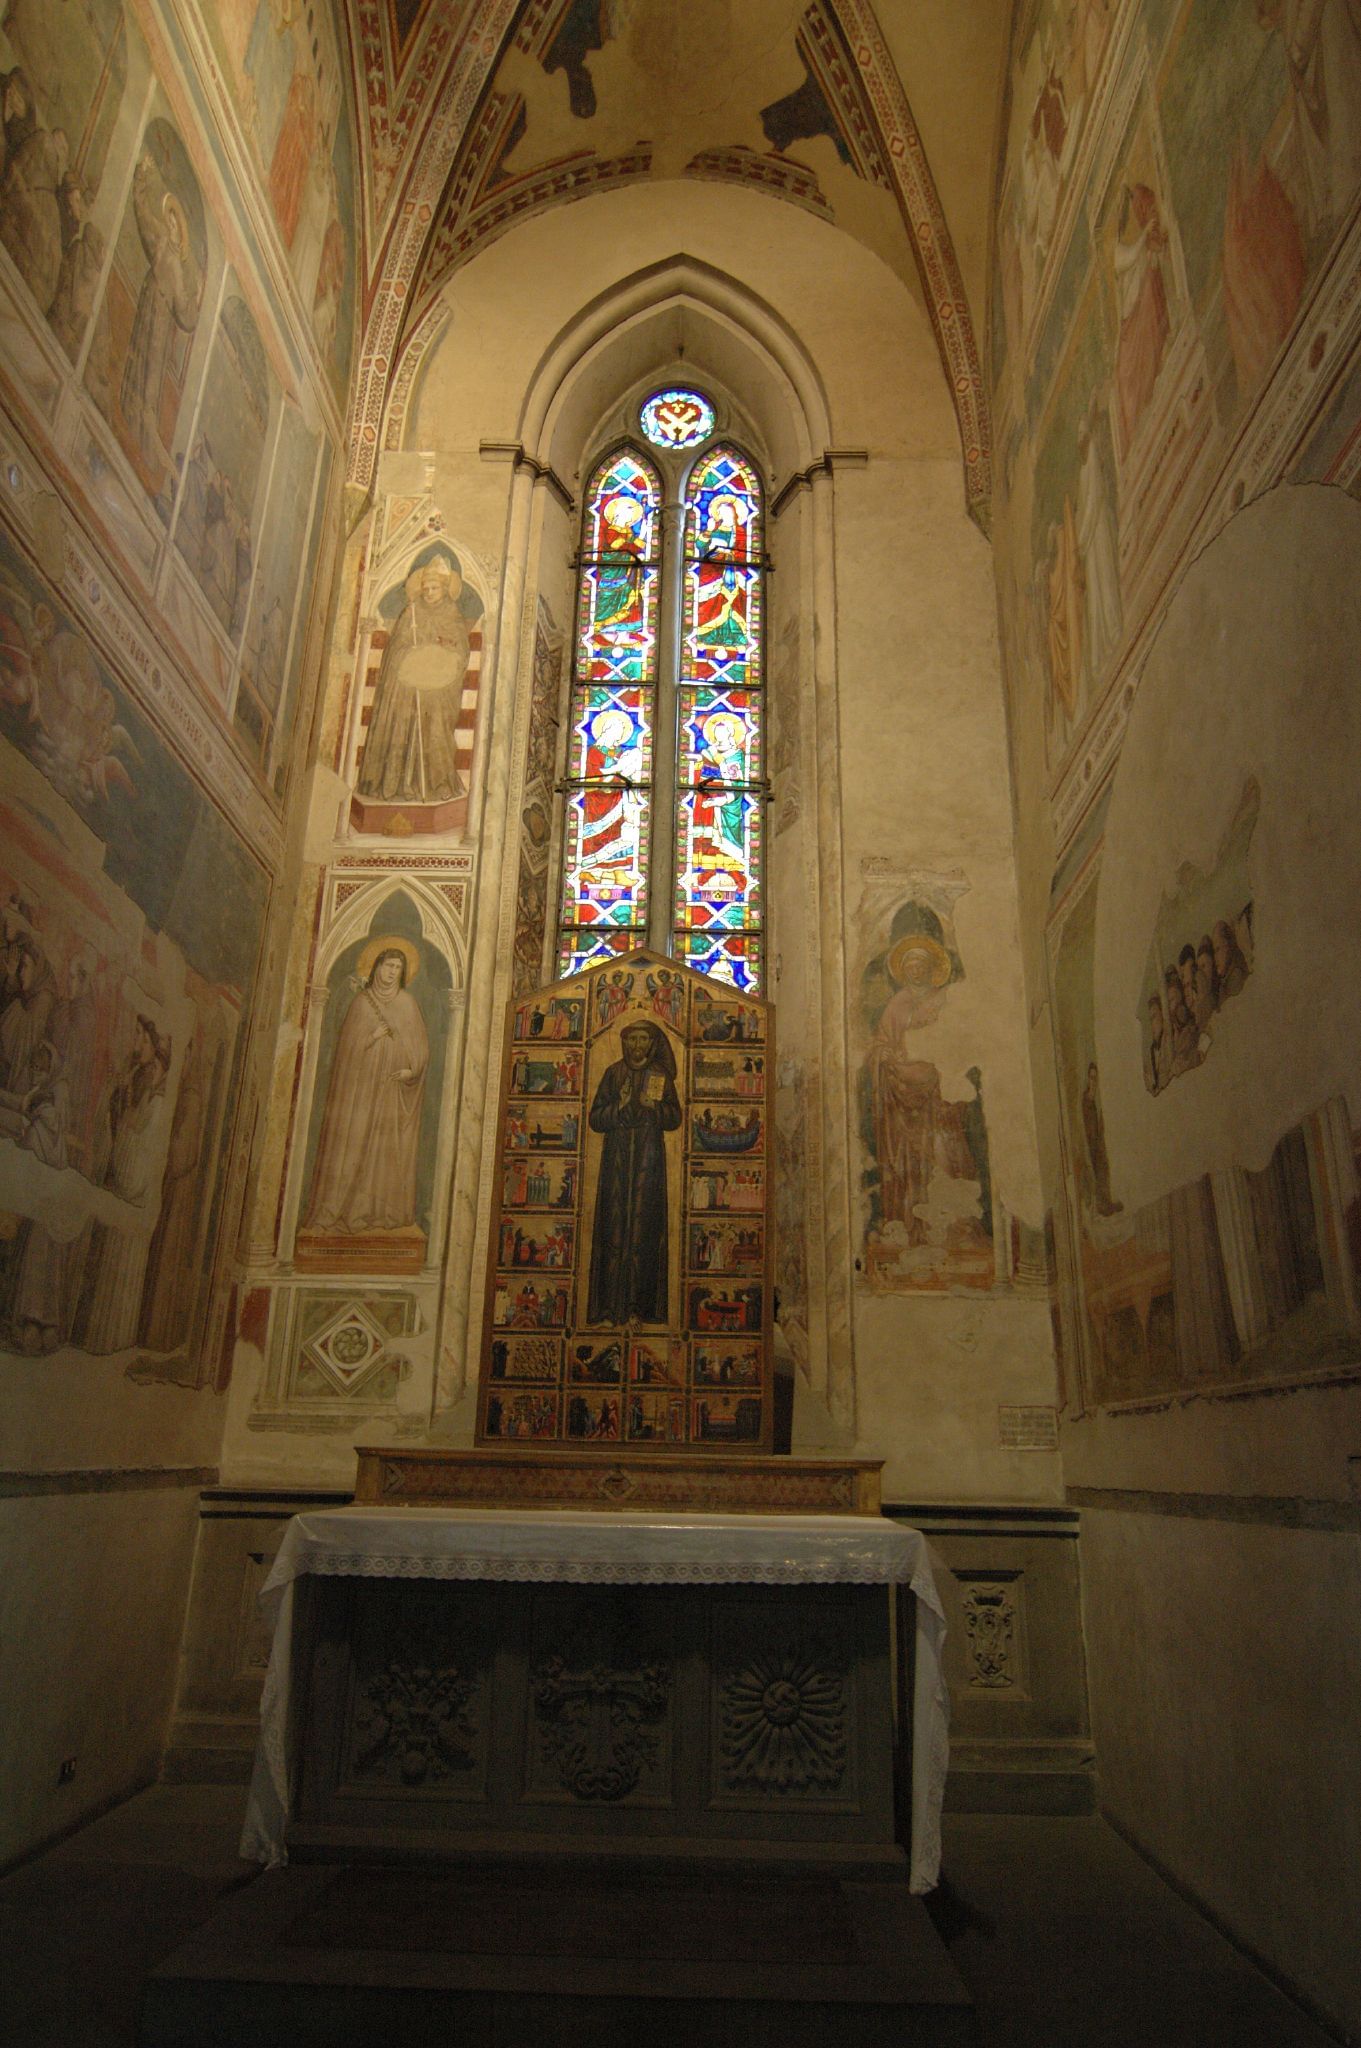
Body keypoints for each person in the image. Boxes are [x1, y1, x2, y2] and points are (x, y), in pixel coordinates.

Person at [303, 943, 429, 1235]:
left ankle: (379, 1211)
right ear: (377, 967)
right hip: (360, 1091)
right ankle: (344, 1210)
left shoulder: (408, 1004)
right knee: (355, 1143)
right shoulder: (362, 1003)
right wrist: (372, 1036)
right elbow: (346, 1051)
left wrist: (411, 1070)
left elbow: (421, 1047)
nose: (392, 972)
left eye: (398, 968)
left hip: (392, 1092)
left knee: (383, 1151)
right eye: (388, 966)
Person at [357, 552, 472, 806]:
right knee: (401, 723)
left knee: (436, 729)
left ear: (445, 588)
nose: (429, 593)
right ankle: (398, 785)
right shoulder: (410, 613)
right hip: (407, 686)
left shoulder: (452, 614)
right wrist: (410, 656)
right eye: (425, 588)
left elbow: (461, 652)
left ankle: (437, 784)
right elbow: (396, 649)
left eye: (434, 588)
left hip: (439, 688)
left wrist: (441, 652)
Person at [587, 1020, 681, 1325]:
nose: (637, 1045)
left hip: (648, 1160)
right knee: (612, 1229)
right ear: (624, 1042)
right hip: (615, 1159)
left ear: (652, 1043)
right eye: (632, 1039)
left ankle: (639, 1309)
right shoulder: (613, 1073)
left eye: (643, 1039)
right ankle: (608, 1309)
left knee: (644, 1230)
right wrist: (621, 1105)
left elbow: (674, 1118)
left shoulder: (659, 1076)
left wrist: (652, 1107)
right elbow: (595, 1119)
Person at [120, 155, 202, 475]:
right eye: (169, 219)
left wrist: (193, 303)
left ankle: (145, 424)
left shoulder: (180, 268)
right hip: (151, 304)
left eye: (174, 222)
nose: (170, 225)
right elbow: (142, 217)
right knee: (142, 357)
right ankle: (134, 411)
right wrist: (140, 183)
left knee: (153, 371)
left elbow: (185, 312)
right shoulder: (160, 240)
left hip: (163, 317)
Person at [1081, 1061, 1122, 1215]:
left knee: (1104, 1170)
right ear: (1088, 1079)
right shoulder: (1086, 1100)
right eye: (1091, 1078)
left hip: (1098, 1142)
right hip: (1092, 1144)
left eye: (1095, 1078)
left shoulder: (1097, 1098)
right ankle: (1102, 1205)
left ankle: (1105, 1203)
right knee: (1098, 1172)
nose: (1094, 1081)